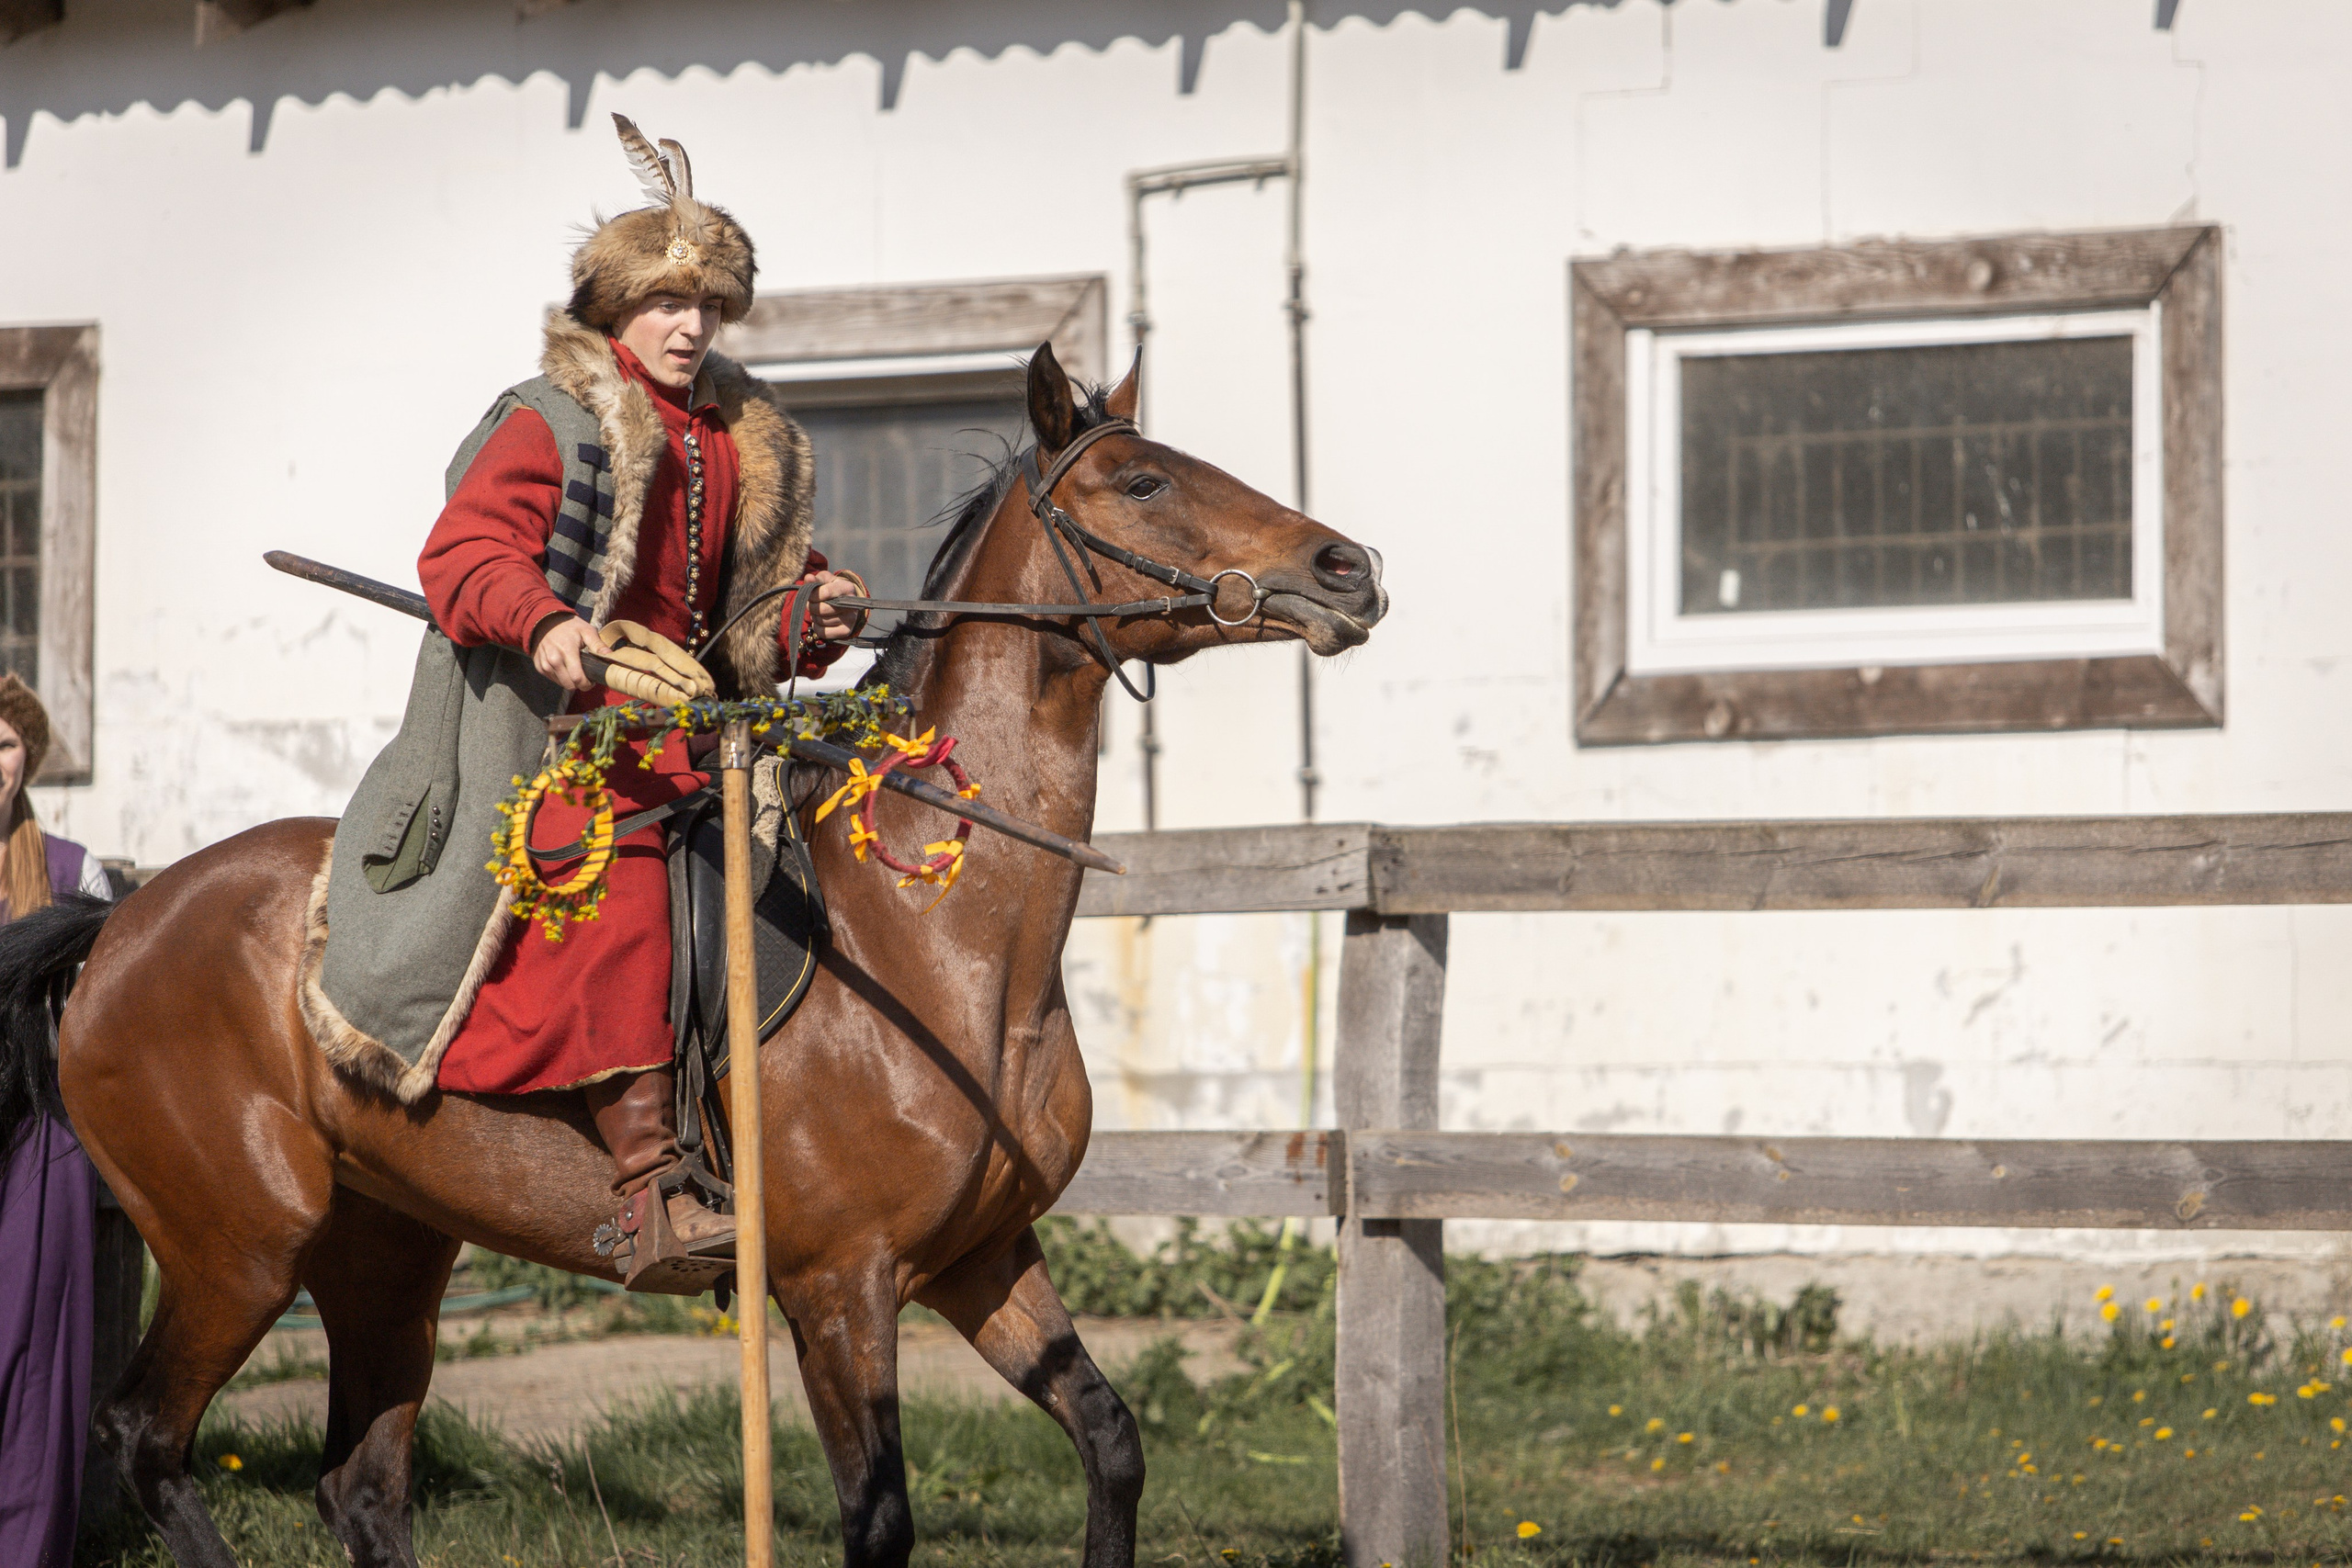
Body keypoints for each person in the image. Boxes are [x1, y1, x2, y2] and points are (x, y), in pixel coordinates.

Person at [302, 117, 864, 1289]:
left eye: (709, 306)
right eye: (668, 305)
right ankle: (648, 1188)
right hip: (559, 739)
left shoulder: (746, 438)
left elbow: (757, 608)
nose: (691, 327)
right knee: (624, 881)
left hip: (707, 736)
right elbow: (462, 558)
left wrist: (815, 614)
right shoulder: (547, 418)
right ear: (614, 313)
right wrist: (555, 627)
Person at [0, 672, 116, 1567]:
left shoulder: (74, 874)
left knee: (34, 1353)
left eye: (4, 744)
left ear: (27, 758)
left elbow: (106, 1027)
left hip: (41, 1133)